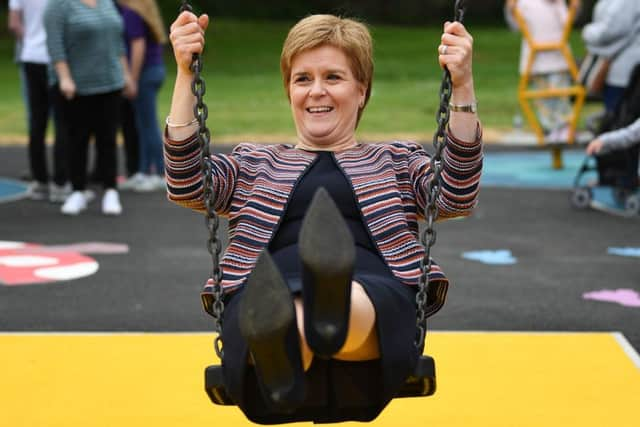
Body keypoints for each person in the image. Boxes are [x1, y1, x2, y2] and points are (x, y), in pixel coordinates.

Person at [165, 11, 482, 423]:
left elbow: (455, 193)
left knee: (334, 297)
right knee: (277, 302)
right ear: (289, 90)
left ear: (362, 91)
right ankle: (295, 338)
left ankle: (319, 311)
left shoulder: (396, 160)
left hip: (372, 289)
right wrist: (186, 73)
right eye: (303, 79)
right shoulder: (254, 162)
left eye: (333, 77)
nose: (317, 91)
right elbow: (187, 182)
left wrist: (462, 83)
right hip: (266, 289)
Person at [43, 0, 133, 215]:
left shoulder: (106, 3)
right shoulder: (59, 6)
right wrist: (64, 78)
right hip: (77, 86)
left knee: (108, 139)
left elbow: (117, 42)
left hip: (110, 83)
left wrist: (126, 74)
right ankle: (77, 191)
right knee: (77, 140)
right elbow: (55, 46)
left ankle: (111, 190)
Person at [8, 0, 70, 202]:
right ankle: (60, 182)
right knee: (62, 121)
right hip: (56, 59)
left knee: (37, 121)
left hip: (31, 56)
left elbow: (14, 24)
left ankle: (39, 180)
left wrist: (30, 40)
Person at [505, 0, 580, 142]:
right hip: (536, 60)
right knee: (542, 99)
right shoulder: (525, 3)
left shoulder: (558, 3)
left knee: (561, 95)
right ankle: (550, 128)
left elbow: (567, 23)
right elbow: (515, 26)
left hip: (558, 57)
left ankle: (564, 127)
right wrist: (510, 9)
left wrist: (574, 9)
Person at [116, 0, 167, 192]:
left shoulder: (131, 13)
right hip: (154, 70)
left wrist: (132, 78)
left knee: (148, 125)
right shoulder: (143, 11)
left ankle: (160, 172)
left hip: (145, 74)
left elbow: (138, 46)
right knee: (143, 124)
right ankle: (144, 171)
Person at [582, 0, 640, 116]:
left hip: (625, 71)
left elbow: (610, 31)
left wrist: (587, 32)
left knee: (619, 116)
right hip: (620, 68)